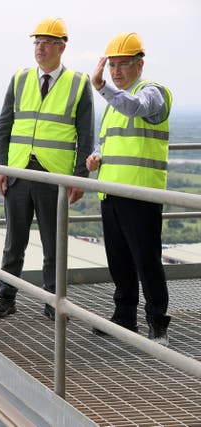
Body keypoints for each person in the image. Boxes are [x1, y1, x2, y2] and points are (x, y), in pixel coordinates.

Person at [0, 17, 94, 320]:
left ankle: (53, 302)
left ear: (61, 47)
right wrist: (0, 167)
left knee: (53, 245)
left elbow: (86, 136)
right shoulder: (19, 79)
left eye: (46, 42)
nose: (40, 47)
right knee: (13, 242)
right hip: (19, 173)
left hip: (53, 176)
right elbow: (4, 127)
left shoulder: (78, 83)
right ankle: (6, 299)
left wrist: (79, 178)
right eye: (36, 42)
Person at [86, 32, 172, 345]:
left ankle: (157, 324)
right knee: (119, 262)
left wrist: (102, 88)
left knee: (146, 261)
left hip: (141, 195)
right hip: (111, 194)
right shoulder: (111, 104)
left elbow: (136, 108)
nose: (117, 71)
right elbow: (108, 141)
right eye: (112, 66)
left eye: (123, 64)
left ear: (140, 64)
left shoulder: (153, 92)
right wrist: (96, 157)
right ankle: (124, 318)